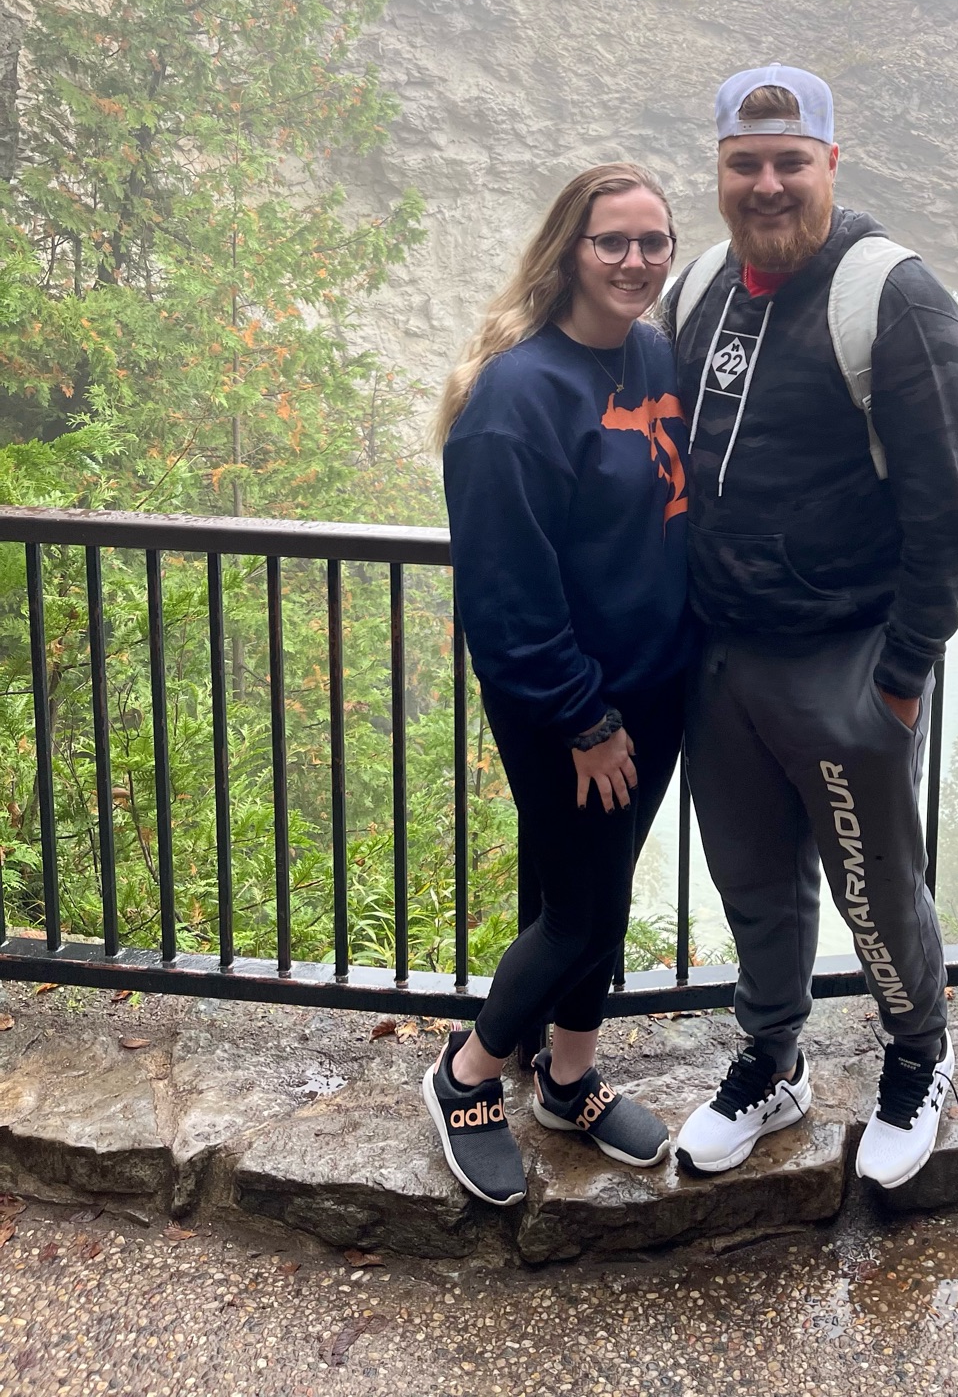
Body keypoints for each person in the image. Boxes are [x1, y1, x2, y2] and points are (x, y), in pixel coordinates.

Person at [666, 65, 958, 1190]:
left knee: (874, 885)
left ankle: (918, 1055)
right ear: (718, 171)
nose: (767, 184)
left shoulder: (891, 296)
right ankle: (772, 1061)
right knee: (752, 881)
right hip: (723, 658)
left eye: (790, 162)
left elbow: (954, 515)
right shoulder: (699, 288)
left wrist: (900, 674)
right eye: (744, 163)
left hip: (846, 657)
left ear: (831, 164)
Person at [424, 163, 693, 1205]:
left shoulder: (652, 353)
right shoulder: (517, 395)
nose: (635, 260)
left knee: (590, 890)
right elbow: (505, 591)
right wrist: (584, 717)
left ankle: (568, 1078)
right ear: (568, 250)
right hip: (570, 704)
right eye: (611, 241)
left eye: (653, 242)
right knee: (580, 911)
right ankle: (467, 1075)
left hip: (654, 685)